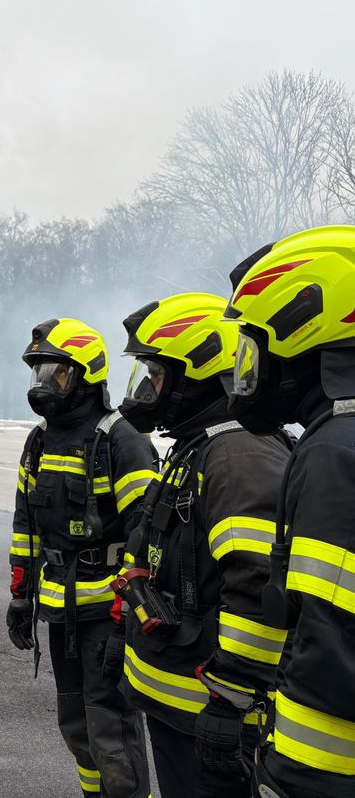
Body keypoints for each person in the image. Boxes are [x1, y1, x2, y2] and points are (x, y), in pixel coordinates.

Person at [115, 293, 291, 798]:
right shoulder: (198, 447)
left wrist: (230, 700)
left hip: (206, 715)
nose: (148, 388)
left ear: (198, 374)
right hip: (175, 706)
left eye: (157, 373)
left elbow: (257, 589)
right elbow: (151, 552)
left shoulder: (238, 456)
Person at [222, 225, 355, 798]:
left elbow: (328, 644)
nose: (246, 367)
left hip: (322, 769)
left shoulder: (333, 452)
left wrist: (286, 777)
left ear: (305, 327)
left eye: (254, 343)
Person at [6, 318, 154, 798]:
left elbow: (147, 537)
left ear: (87, 374)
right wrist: (20, 596)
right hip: (60, 611)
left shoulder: (121, 440)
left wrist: (129, 619)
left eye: (55, 373)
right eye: (38, 373)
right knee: (77, 726)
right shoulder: (39, 441)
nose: (43, 384)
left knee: (111, 730)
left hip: (107, 615)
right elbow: (25, 525)